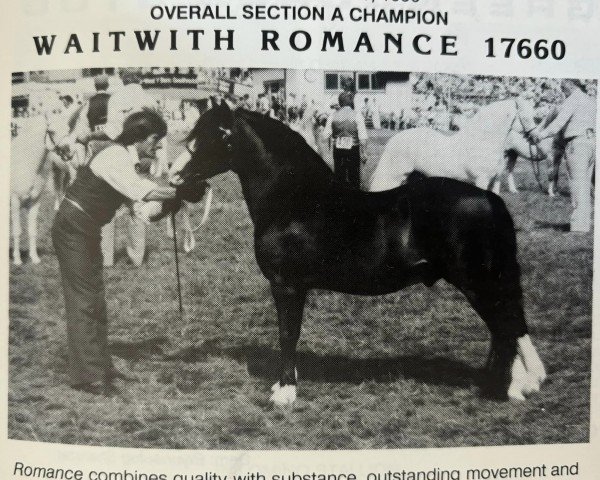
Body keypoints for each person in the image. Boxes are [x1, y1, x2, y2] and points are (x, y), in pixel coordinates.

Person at [51, 109, 186, 395]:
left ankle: (99, 365)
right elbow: (143, 192)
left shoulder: (127, 161)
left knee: (95, 299)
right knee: (84, 300)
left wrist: (170, 204)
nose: (159, 145)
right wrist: (180, 192)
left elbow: (143, 210)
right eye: (155, 138)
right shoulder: (115, 157)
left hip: (86, 228)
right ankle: (88, 377)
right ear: (138, 136)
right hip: (73, 227)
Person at [532, 79, 596, 232]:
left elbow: (558, 123)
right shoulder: (591, 100)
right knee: (586, 185)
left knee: (577, 185)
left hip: (577, 143)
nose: (561, 90)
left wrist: (540, 135)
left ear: (572, 85)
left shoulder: (572, 99)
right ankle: (585, 223)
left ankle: (579, 227)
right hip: (592, 142)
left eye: (563, 86)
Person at [323, 91, 368, 189]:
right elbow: (363, 137)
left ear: (340, 102)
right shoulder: (357, 115)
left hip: (338, 149)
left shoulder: (332, 116)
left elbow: (325, 135)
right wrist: (364, 152)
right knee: (354, 175)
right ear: (351, 102)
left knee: (339, 175)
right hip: (353, 148)